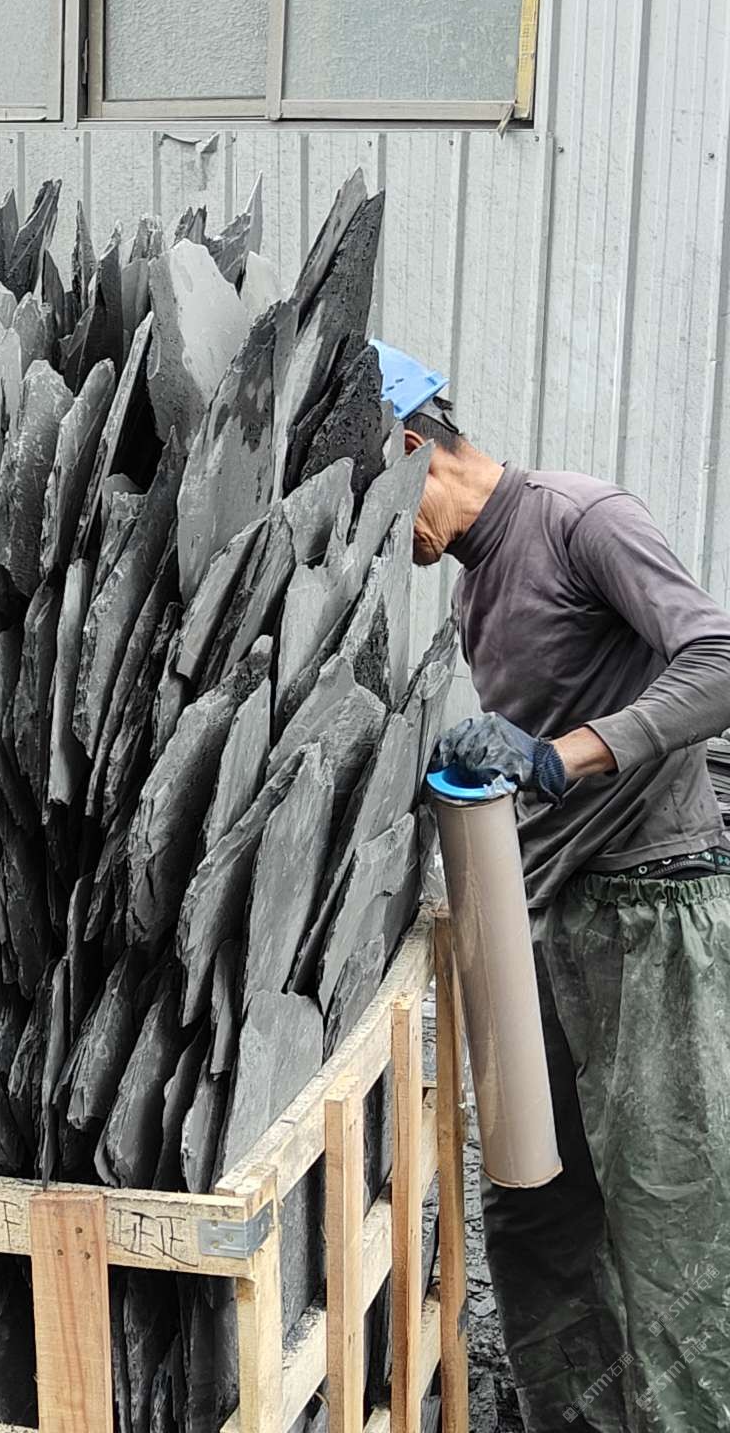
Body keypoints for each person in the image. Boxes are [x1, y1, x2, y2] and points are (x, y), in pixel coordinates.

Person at [378, 339, 730, 1432]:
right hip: (548, 923)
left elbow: (718, 659)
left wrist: (556, 755)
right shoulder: (472, 589)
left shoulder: (581, 518)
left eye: (374, 502)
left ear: (410, 448)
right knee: (534, 1208)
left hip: (653, 910)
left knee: (666, 1213)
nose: (381, 536)